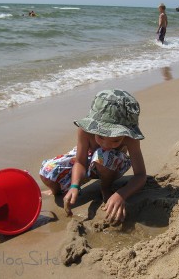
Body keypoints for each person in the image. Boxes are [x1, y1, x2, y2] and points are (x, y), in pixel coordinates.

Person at [39, 89, 147, 222]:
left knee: (103, 154)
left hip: (112, 165)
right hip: (89, 158)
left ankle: (106, 187)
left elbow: (141, 175)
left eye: (115, 140)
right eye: (100, 137)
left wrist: (121, 195)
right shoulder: (85, 131)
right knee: (48, 170)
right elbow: (79, 162)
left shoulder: (130, 139)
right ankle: (57, 191)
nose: (106, 144)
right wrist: (74, 186)